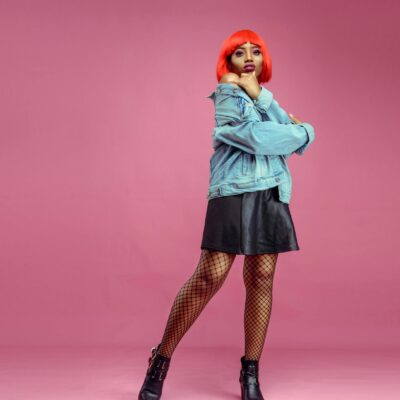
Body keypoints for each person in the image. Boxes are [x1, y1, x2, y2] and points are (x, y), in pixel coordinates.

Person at [138, 29, 315, 400]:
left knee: (262, 277)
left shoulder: (261, 97)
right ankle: (160, 359)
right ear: (228, 62)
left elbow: (283, 130)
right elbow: (259, 138)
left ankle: (250, 375)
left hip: (271, 192)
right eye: (239, 52)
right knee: (210, 275)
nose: (248, 57)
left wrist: (267, 101)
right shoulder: (226, 95)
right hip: (232, 190)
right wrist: (302, 132)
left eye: (255, 51)